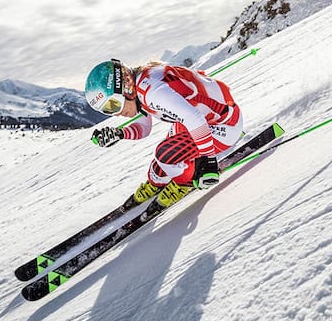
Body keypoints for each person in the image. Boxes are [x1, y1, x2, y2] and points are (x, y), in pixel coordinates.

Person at [84, 58, 243, 208]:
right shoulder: (140, 88)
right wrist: (120, 133)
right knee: (158, 168)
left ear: (126, 88)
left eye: (114, 105)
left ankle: (183, 184)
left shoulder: (153, 91)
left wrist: (208, 161)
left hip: (224, 124)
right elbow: (144, 128)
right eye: (107, 110)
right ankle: (158, 183)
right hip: (198, 121)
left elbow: (195, 119)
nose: (116, 113)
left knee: (165, 156)